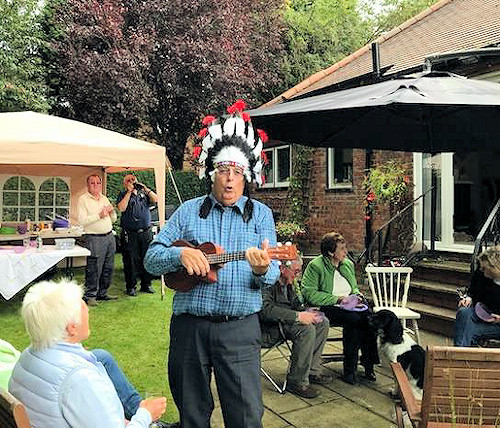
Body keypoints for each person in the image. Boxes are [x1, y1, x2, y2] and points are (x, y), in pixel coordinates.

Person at [144, 100, 279, 428]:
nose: (229, 181)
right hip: (190, 328)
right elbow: (150, 259)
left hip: (240, 327)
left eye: (236, 172)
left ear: (247, 176)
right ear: (211, 173)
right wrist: (179, 255)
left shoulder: (260, 215)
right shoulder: (188, 211)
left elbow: (273, 272)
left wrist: (262, 269)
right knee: (191, 414)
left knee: (246, 416)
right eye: (223, 171)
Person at [8, 279, 167, 428]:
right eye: (84, 307)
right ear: (72, 328)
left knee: (101, 356)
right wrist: (145, 415)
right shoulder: (80, 379)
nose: (88, 312)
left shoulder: (27, 355)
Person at [301, 231, 379, 385]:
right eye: (342, 249)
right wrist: (338, 299)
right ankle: (350, 370)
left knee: (369, 318)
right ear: (331, 252)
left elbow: (354, 288)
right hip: (326, 306)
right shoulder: (316, 266)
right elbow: (310, 294)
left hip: (349, 306)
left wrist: (357, 297)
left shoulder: (347, 264)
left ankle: (368, 364)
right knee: (354, 319)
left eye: (345, 248)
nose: (346, 252)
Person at [260, 256, 332, 398]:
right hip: (269, 330)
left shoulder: (289, 284)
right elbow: (265, 311)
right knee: (306, 329)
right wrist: (298, 316)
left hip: (285, 325)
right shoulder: (267, 284)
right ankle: (296, 381)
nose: (298, 275)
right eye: (296, 271)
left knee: (322, 322)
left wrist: (306, 311)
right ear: (282, 269)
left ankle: (311, 371)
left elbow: (296, 306)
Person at [77, 174, 117, 305]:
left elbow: (114, 219)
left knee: (108, 267)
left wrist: (111, 212)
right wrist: (99, 215)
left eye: (98, 183)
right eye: (92, 183)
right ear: (87, 185)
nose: (96, 185)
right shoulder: (83, 199)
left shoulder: (104, 198)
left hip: (109, 236)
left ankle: (103, 293)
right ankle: (90, 296)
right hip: (94, 237)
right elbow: (82, 221)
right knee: (94, 268)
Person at [117, 174, 158, 296]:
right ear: (125, 184)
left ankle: (146, 284)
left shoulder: (144, 194)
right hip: (130, 233)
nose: (131, 182)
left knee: (147, 258)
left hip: (145, 232)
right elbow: (121, 208)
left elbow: (156, 199)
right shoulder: (123, 195)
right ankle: (131, 286)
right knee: (130, 260)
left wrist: (145, 188)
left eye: (133, 180)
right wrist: (129, 193)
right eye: (128, 180)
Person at [454, 246, 500, 346]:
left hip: (498, 326)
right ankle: (459, 355)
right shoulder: (481, 275)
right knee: (464, 313)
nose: (481, 270)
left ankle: (458, 356)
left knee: (467, 331)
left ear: (495, 266)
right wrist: (468, 298)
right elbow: (473, 292)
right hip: (483, 315)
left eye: (484, 268)